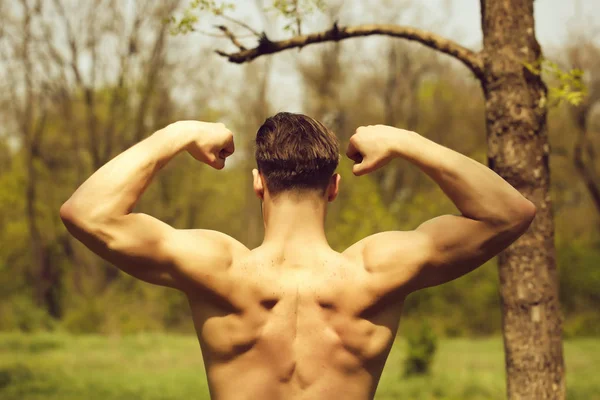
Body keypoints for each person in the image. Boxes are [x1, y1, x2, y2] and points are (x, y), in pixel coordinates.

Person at [60, 112, 536, 400]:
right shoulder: (374, 274)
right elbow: (509, 213)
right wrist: (403, 141)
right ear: (334, 186)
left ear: (257, 182)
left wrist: (177, 134)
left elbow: (86, 212)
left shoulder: (220, 271)